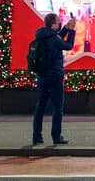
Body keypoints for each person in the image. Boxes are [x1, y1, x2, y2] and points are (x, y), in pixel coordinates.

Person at [32, 12, 76, 146]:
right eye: (58, 22)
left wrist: (66, 29)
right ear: (53, 24)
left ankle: (37, 137)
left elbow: (57, 39)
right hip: (55, 76)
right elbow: (67, 45)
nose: (60, 23)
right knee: (58, 108)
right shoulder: (53, 38)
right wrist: (72, 31)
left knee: (40, 106)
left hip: (42, 76)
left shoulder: (42, 35)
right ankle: (56, 137)